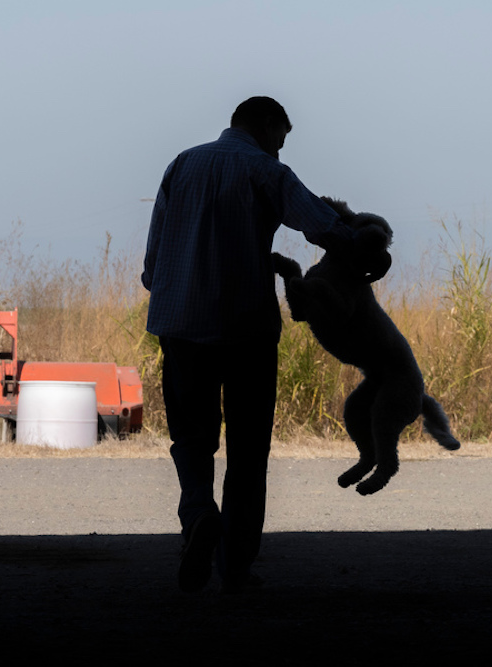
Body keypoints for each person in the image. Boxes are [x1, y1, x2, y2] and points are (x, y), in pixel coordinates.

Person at [141, 96, 355, 593]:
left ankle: (197, 515)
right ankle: (235, 567)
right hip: (247, 332)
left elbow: (153, 267)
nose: (283, 145)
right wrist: (363, 246)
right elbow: (319, 223)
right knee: (248, 449)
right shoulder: (265, 169)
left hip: (182, 329)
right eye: (283, 134)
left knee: (192, 440)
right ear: (264, 125)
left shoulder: (181, 165)